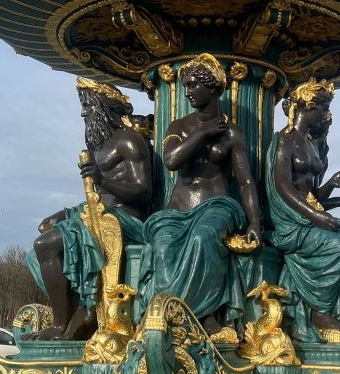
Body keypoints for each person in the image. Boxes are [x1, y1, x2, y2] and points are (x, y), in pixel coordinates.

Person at [138, 53, 262, 342]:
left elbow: (245, 182)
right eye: (185, 86)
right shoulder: (178, 128)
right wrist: (203, 132)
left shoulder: (232, 133)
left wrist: (254, 222)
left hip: (217, 205)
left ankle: (204, 315)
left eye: (194, 85)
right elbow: (171, 160)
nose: (188, 92)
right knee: (163, 243)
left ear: (212, 87)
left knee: (204, 238)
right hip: (178, 209)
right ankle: (170, 313)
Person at [265, 78, 340, 343]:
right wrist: (316, 216)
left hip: (310, 219)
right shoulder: (284, 141)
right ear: (306, 107)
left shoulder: (309, 144)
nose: (325, 114)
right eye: (322, 108)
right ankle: (319, 313)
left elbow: (311, 195)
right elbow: (282, 186)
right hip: (291, 225)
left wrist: (332, 187)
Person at [26, 78, 152, 340]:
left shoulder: (129, 141)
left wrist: (101, 179)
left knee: (46, 245)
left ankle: (68, 322)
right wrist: (65, 213)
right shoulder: (100, 147)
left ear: (106, 108)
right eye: (83, 105)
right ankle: (74, 313)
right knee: (39, 245)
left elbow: (143, 192)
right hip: (101, 212)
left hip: (127, 219)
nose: (84, 112)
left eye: (89, 105)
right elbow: (99, 198)